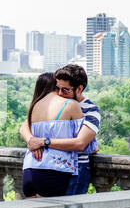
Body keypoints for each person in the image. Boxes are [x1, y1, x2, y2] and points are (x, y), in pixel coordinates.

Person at [20, 64, 101, 195]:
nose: (59, 93)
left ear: (79, 89)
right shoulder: (57, 103)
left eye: (65, 90)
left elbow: (80, 143)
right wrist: (32, 141)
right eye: (57, 88)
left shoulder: (91, 110)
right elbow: (25, 126)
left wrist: (44, 142)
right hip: (55, 168)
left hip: (76, 170)